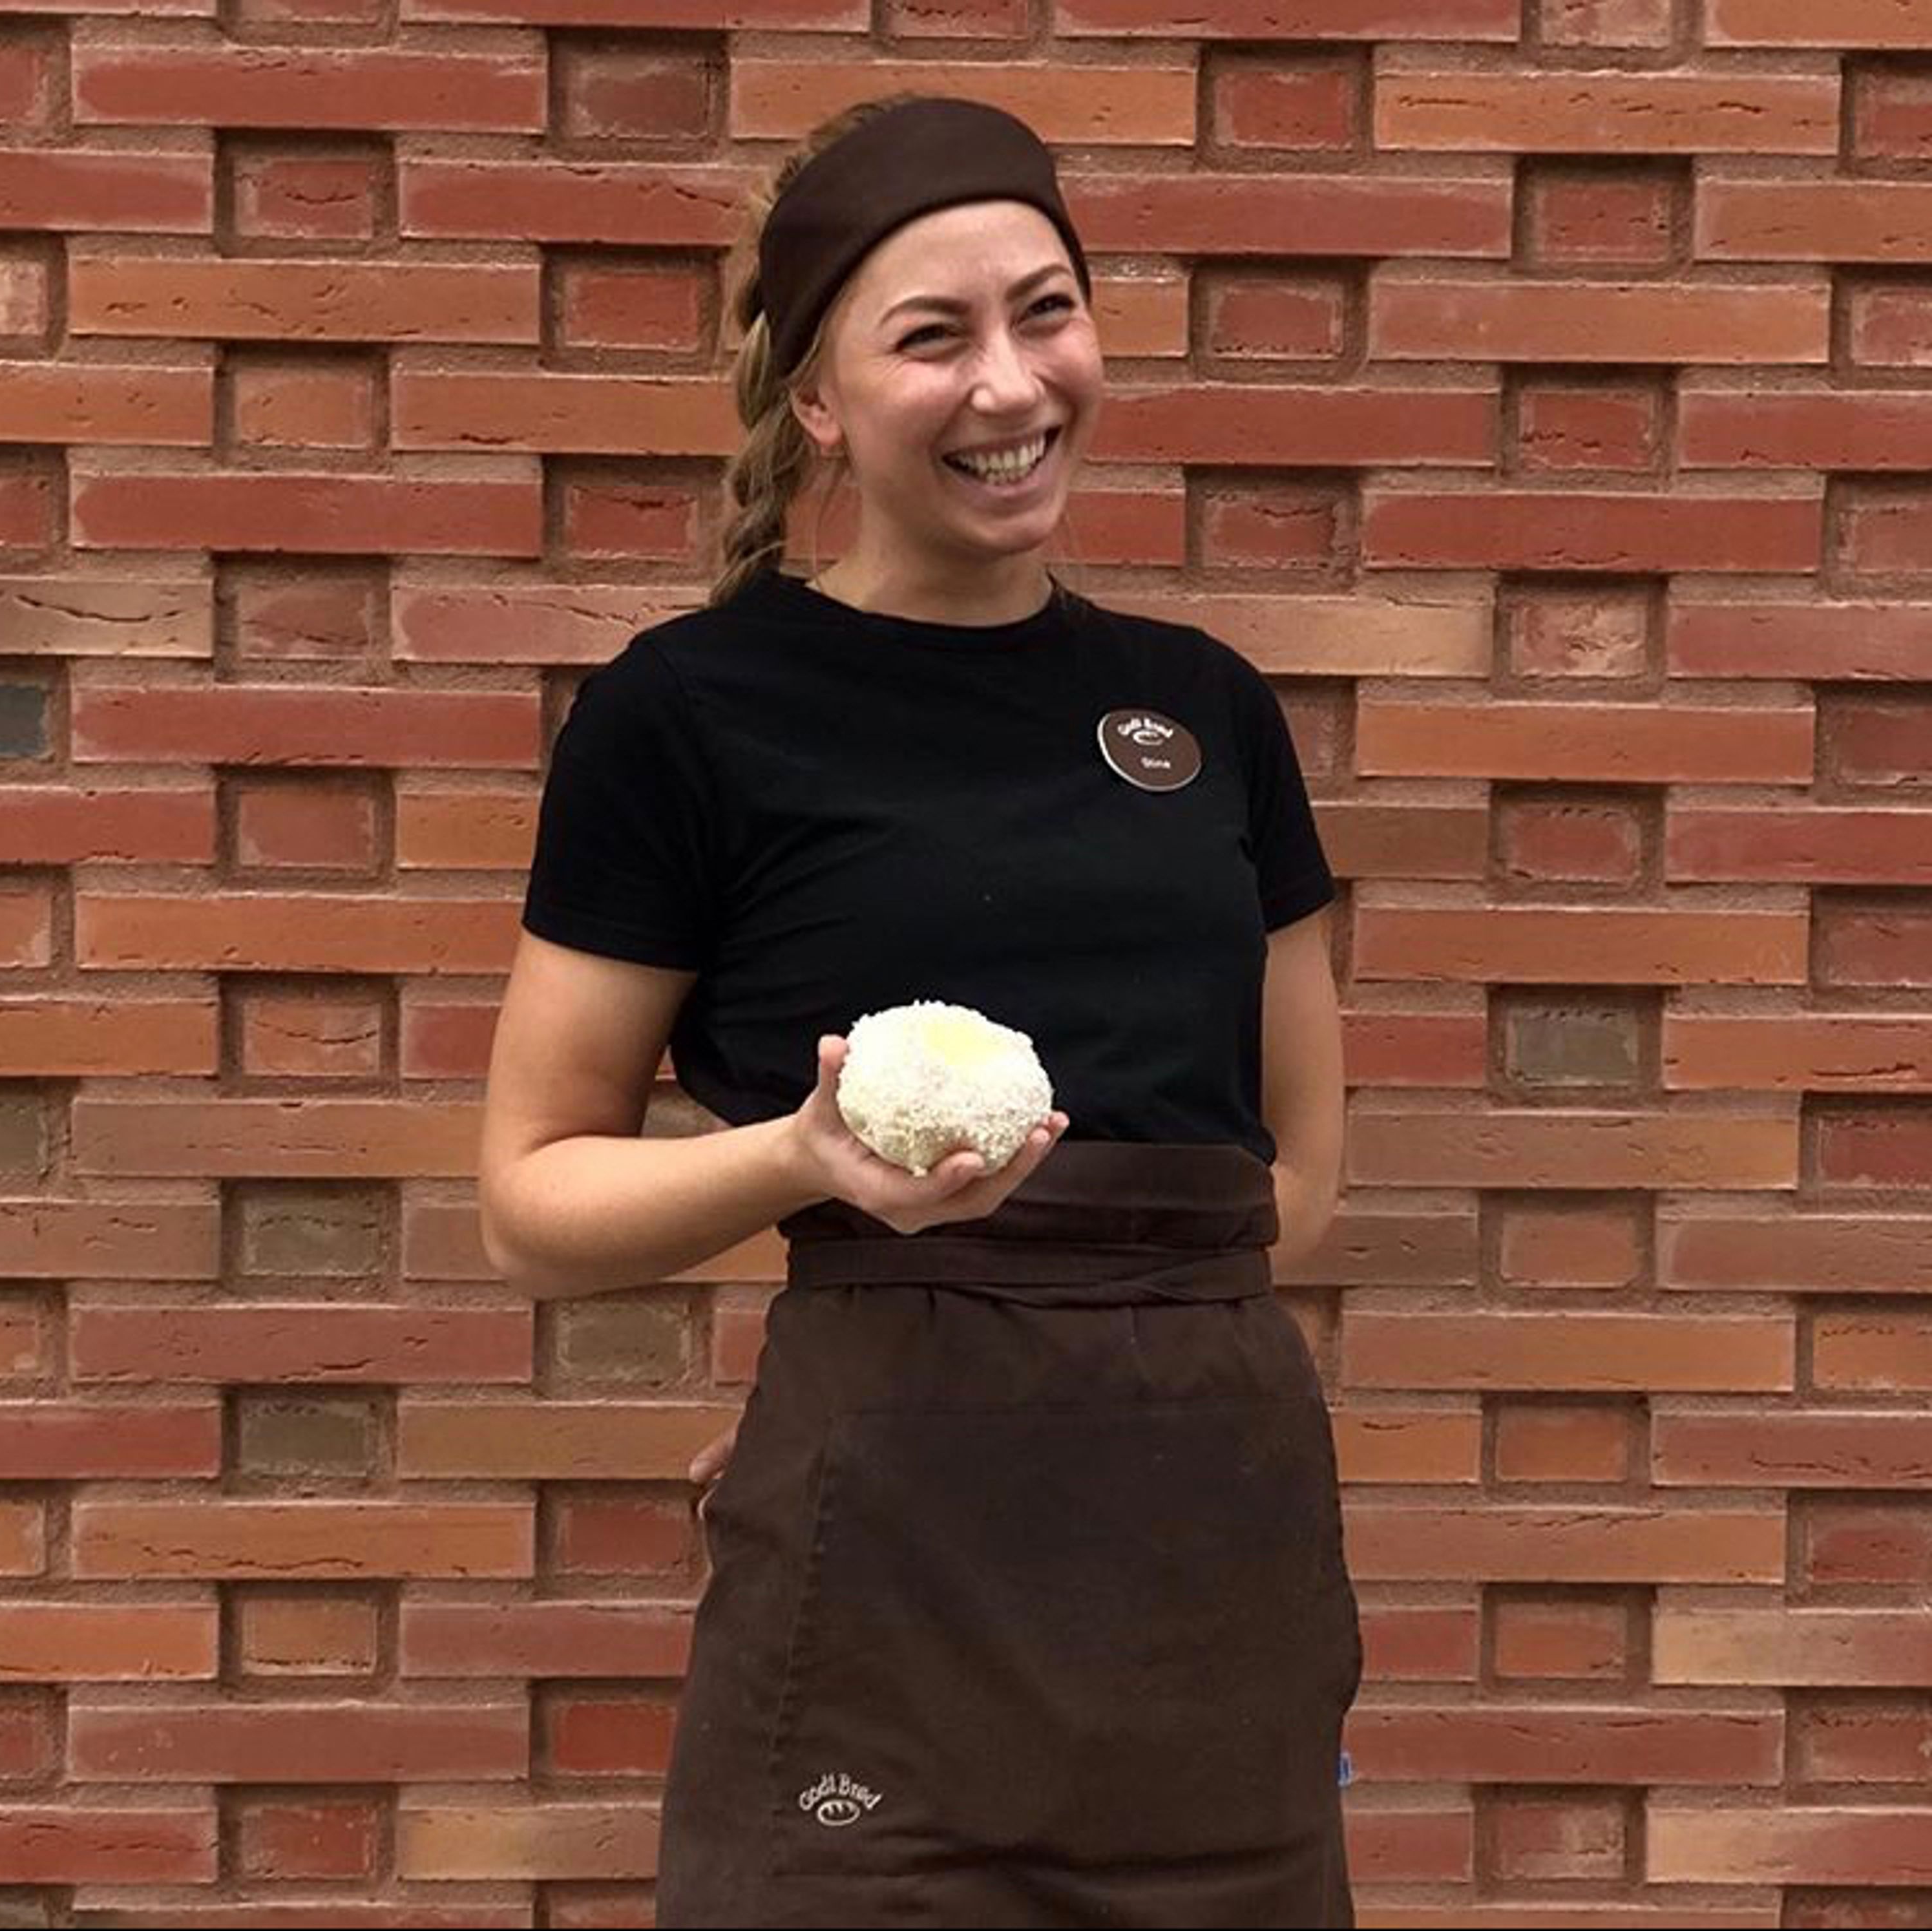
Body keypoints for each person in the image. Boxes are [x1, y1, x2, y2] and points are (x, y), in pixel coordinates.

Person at [478, 92, 1360, 1930]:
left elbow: (1289, 1185)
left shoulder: (1207, 710)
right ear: (816, 399)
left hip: (1212, 1570)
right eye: (932, 337)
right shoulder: (688, 717)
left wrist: (1025, 1383)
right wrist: (811, 1196)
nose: (1011, 385)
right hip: (888, 1597)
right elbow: (532, 1196)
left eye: (1046, 312)